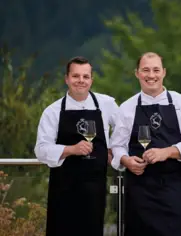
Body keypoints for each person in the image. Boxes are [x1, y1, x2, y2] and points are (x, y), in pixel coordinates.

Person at [110, 52, 181, 236]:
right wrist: (126, 160)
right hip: (138, 189)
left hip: (172, 188)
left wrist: (167, 152)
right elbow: (117, 145)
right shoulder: (127, 108)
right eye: (145, 70)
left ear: (164, 73)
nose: (151, 75)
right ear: (137, 73)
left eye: (155, 70)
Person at [34, 56, 118, 236]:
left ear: (91, 79)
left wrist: (112, 148)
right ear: (66, 79)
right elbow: (41, 149)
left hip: (95, 187)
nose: (81, 81)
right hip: (63, 188)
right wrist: (70, 149)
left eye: (85, 76)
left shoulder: (107, 104)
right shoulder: (53, 111)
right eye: (76, 76)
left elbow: (124, 131)